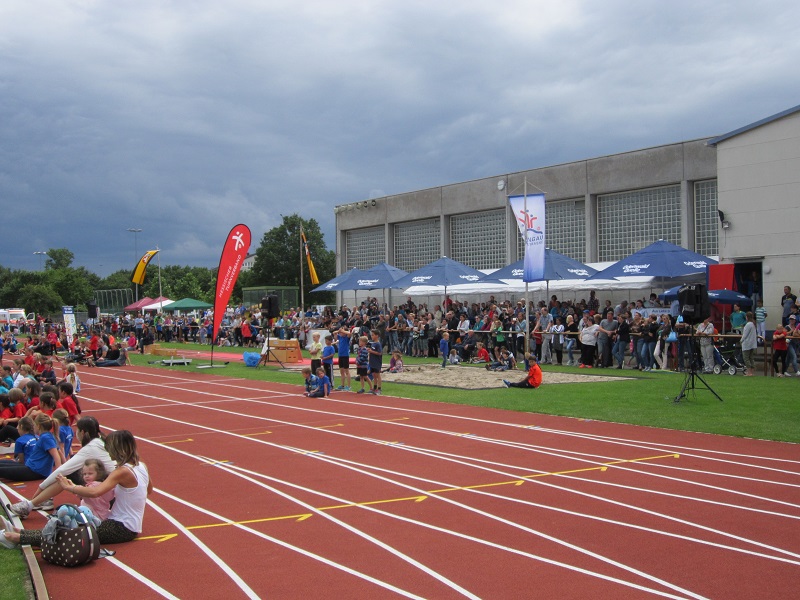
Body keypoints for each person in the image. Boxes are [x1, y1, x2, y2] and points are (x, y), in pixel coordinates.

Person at [3, 430, 152, 548]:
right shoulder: (141, 466)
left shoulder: (123, 471)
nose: (108, 452)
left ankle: (18, 538)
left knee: (72, 533)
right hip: (124, 523)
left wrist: (71, 488)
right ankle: (22, 533)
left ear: (117, 449)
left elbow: (95, 492)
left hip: (122, 527)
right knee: (73, 525)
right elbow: (148, 490)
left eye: (109, 448)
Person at [8, 416, 116, 517]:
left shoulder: (90, 448)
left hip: (110, 496)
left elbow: (61, 471)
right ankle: (43, 500)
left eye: (77, 430)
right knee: (80, 471)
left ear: (82, 432)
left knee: (64, 476)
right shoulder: (102, 441)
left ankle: (29, 505)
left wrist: (40, 489)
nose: (76, 433)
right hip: (113, 492)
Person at [0, 414, 61, 482]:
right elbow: (60, 453)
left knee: (2, 470)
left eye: (34, 425)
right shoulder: (46, 436)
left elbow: (56, 456)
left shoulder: (46, 438)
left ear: (38, 426)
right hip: (31, 467)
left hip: (36, 471)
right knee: (3, 465)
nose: (33, 427)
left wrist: (58, 475)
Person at [334, 325, 352, 391]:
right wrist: (339, 331)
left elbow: (350, 333)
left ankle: (349, 386)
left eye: (342, 332)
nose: (341, 333)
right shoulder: (340, 337)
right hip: (340, 355)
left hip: (345, 355)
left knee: (346, 371)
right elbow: (334, 333)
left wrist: (343, 331)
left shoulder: (346, 338)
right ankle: (342, 385)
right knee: (341, 371)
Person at [740, 312, 758, 376]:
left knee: (746, 358)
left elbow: (745, 334)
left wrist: (741, 340)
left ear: (747, 317)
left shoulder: (748, 325)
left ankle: (749, 372)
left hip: (747, 343)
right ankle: (752, 372)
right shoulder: (753, 324)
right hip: (752, 343)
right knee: (751, 358)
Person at [368, 330, 383, 395]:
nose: (372, 336)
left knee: (377, 375)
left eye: (373, 335)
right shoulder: (373, 343)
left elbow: (379, 353)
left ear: (377, 336)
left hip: (377, 362)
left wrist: (371, 351)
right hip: (372, 361)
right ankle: (374, 387)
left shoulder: (378, 344)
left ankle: (379, 388)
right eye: (371, 335)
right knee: (374, 375)